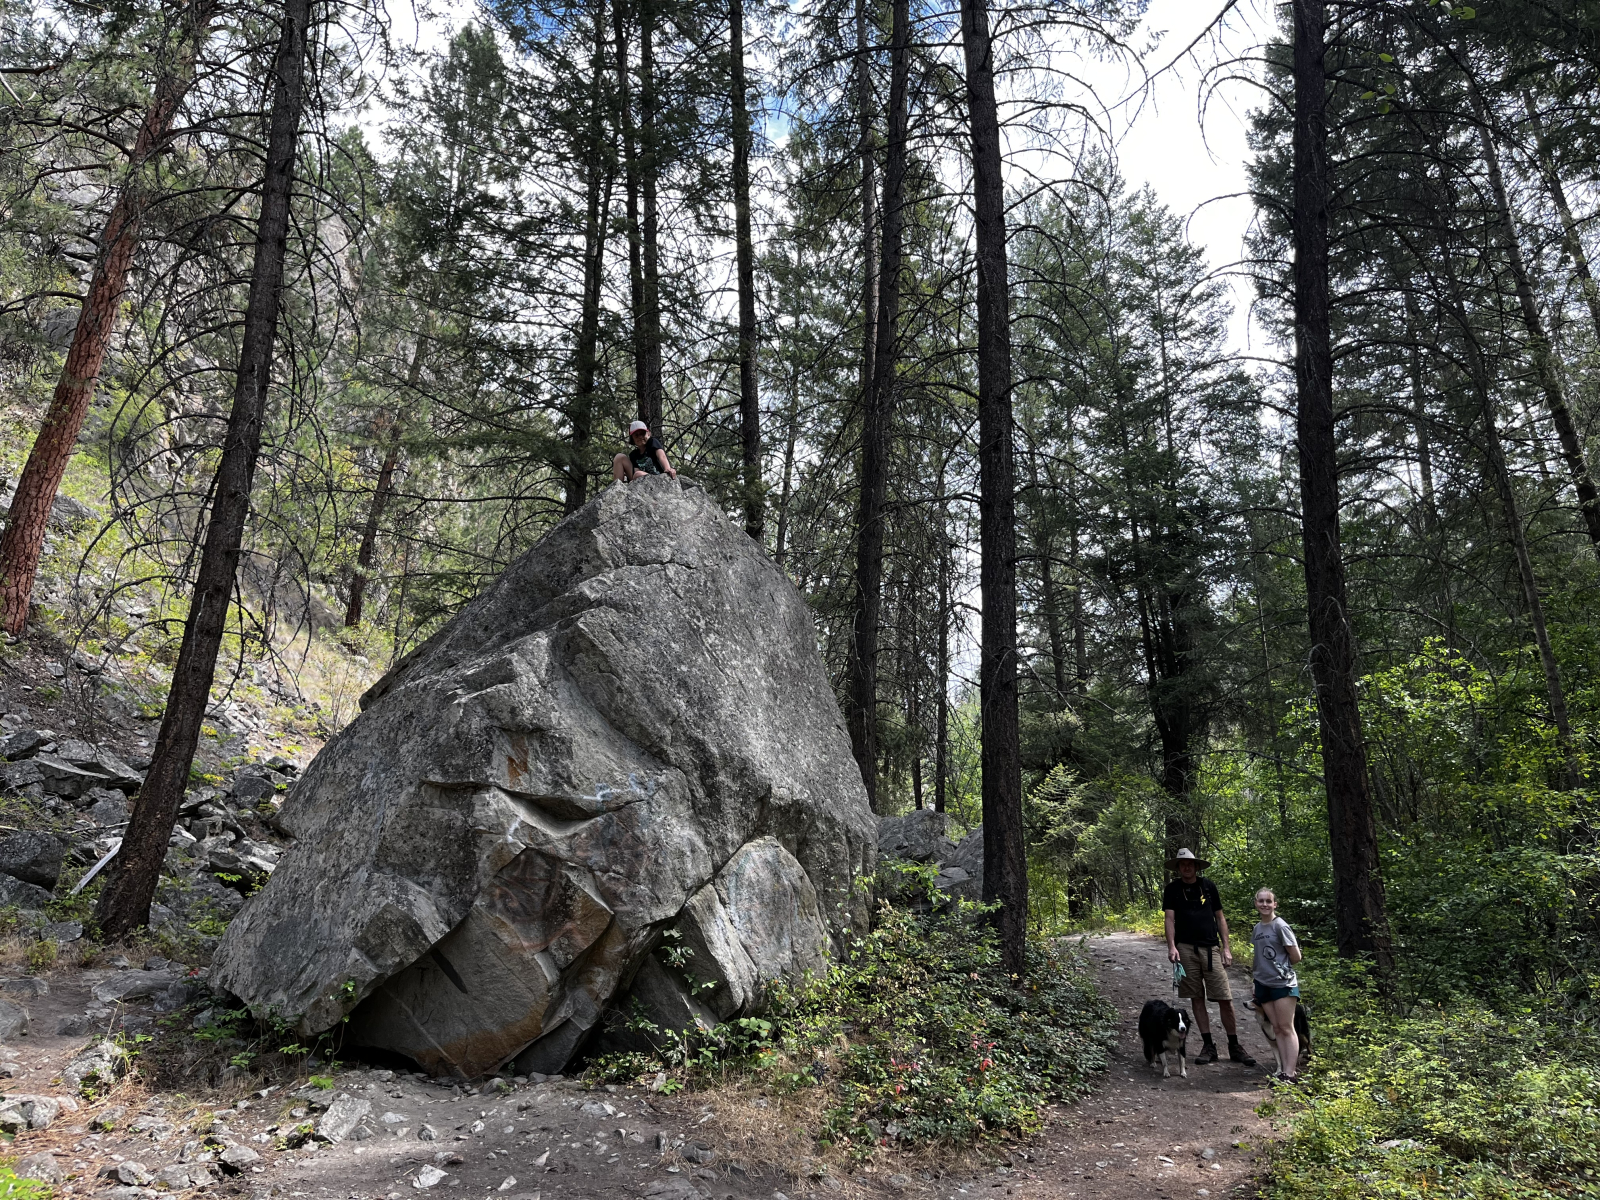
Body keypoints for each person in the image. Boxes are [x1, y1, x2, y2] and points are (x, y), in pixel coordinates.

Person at [1163, 848, 1256, 1066]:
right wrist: (1171, 947)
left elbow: (1220, 917)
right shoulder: (1172, 890)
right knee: (1196, 998)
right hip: (1185, 948)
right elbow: (1169, 919)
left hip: (1211, 948)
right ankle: (1208, 1045)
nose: (1186, 867)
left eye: (1190, 863)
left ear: (1196, 866)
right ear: (1178, 867)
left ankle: (1234, 1045)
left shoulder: (1208, 886)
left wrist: (1226, 947)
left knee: (1225, 997)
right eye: (1182, 864)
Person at [1251, 887, 1303, 1081]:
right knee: (1276, 1028)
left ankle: (1290, 1073)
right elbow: (1258, 957)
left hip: (1283, 984)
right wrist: (1255, 980)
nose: (1264, 904)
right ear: (1256, 903)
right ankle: (1283, 1071)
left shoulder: (1280, 926)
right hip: (1263, 983)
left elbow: (1296, 956)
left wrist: (1280, 968)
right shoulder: (1257, 929)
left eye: (1268, 901)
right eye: (1261, 901)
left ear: (1275, 904)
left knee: (1286, 1027)